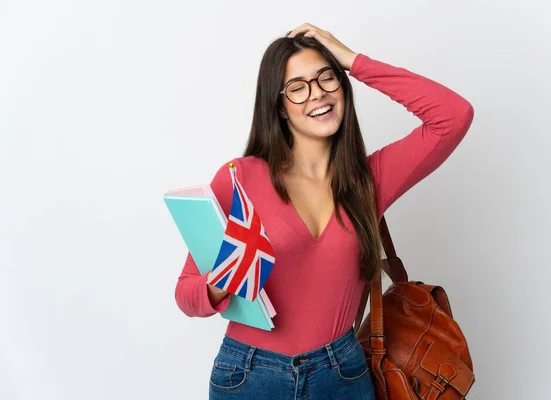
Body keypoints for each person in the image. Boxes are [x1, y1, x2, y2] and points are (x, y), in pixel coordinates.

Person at [175, 22, 474, 400]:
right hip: (250, 375)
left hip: (342, 374)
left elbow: (453, 116)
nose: (317, 94)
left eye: (326, 78)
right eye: (298, 87)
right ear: (279, 107)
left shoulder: (371, 180)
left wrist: (352, 60)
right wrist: (224, 281)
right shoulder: (240, 178)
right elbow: (186, 293)